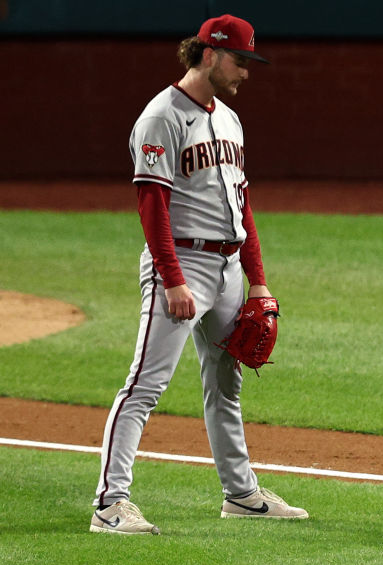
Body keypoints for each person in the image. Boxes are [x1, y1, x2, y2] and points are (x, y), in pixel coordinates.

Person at [90, 15, 307, 534]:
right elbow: (152, 207)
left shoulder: (229, 120)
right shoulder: (161, 117)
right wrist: (172, 279)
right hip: (182, 267)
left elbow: (243, 206)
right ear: (208, 54)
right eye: (240, 61)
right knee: (144, 385)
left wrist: (257, 278)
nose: (247, 73)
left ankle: (241, 493)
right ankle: (110, 504)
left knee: (226, 382)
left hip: (229, 268)